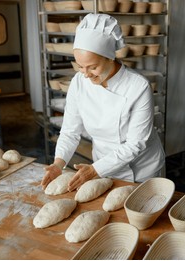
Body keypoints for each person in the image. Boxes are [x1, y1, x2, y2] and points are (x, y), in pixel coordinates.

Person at [41, 13, 165, 191]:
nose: (86, 74)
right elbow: (70, 131)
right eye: (80, 66)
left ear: (110, 57)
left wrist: (94, 170)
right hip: (103, 165)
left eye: (93, 67)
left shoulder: (138, 87)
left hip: (141, 169)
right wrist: (58, 164)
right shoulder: (79, 82)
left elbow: (135, 144)